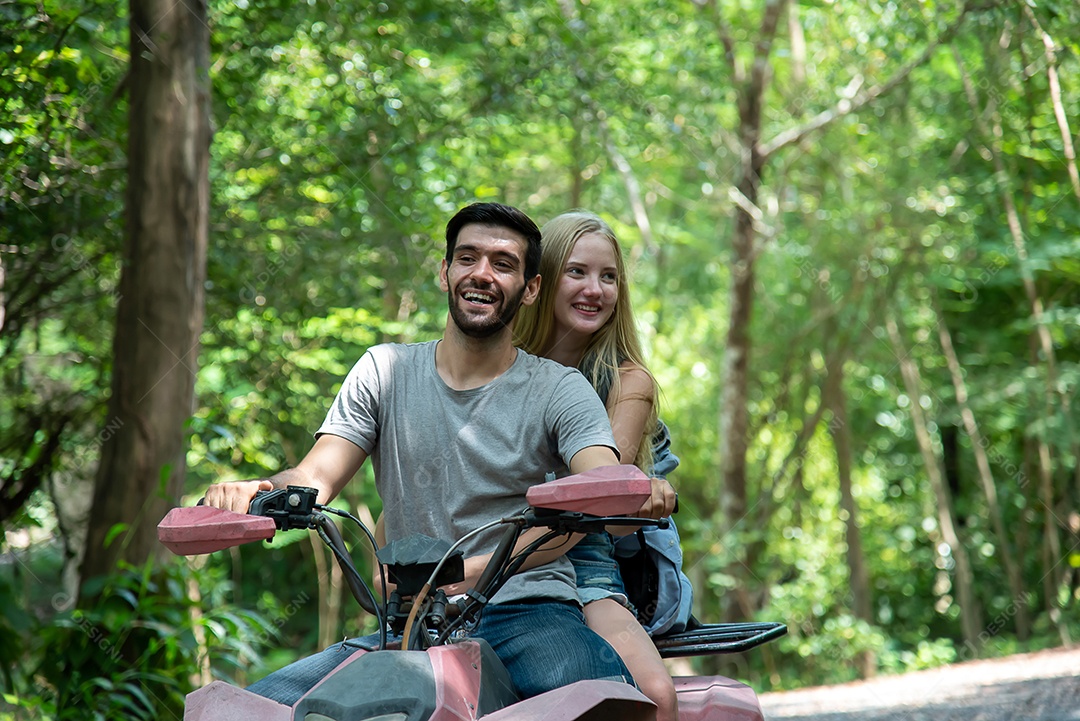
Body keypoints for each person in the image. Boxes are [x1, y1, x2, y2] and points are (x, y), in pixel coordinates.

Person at [202, 202, 677, 706]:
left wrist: (632, 490)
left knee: (603, 704)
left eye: (503, 263)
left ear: (530, 288)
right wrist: (263, 491)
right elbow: (315, 473)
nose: (482, 274)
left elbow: (598, 476)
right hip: (410, 619)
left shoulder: (562, 389)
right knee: (244, 707)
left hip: (529, 611)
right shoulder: (383, 371)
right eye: (468, 258)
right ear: (444, 271)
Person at [514, 210, 682, 721]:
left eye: (608, 276)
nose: (595, 289)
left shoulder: (626, 380)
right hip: (488, 546)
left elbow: (603, 502)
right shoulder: (502, 362)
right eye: (577, 272)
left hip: (582, 558)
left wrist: (639, 495)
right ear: (541, 281)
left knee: (655, 696)